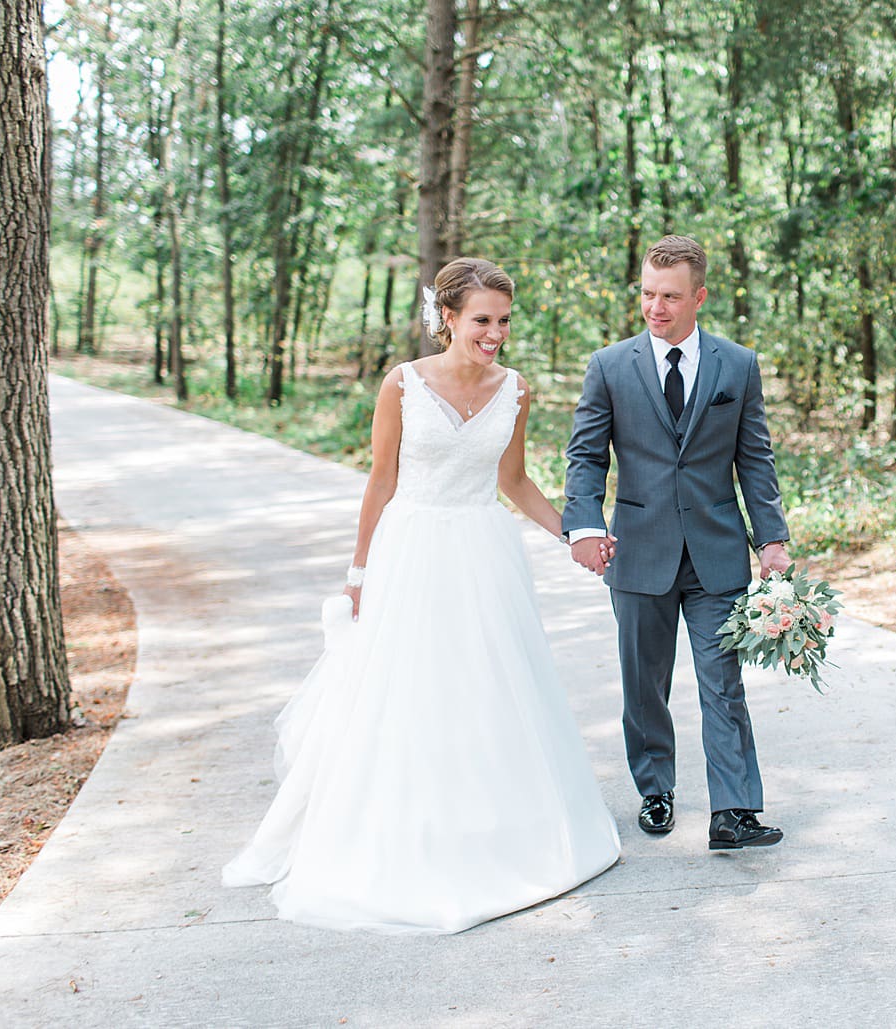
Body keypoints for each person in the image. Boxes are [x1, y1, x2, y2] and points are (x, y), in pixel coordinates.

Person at [223, 258, 620, 933]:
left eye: (501, 321)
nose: (493, 333)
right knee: (408, 693)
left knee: (489, 690)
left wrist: (574, 535)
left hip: (483, 551)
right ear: (447, 318)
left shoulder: (515, 389)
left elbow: (515, 481)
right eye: (480, 320)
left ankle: (496, 831)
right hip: (412, 552)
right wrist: (357, 573)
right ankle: (407, 835)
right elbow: (380, 480)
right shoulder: (402, 382)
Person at [563, 234, 792, 850]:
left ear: (699, 298)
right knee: (645, 683)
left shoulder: (736, 366)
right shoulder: (609, 367)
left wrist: (770, 539)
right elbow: (586, 457)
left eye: (669, 296)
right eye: (647, 294)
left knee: (724, 683)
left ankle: (734, 811)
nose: (655, 307)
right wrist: (584, 525)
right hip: (638, 551)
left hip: (717, 553)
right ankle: (655, 789)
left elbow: (755, 459)